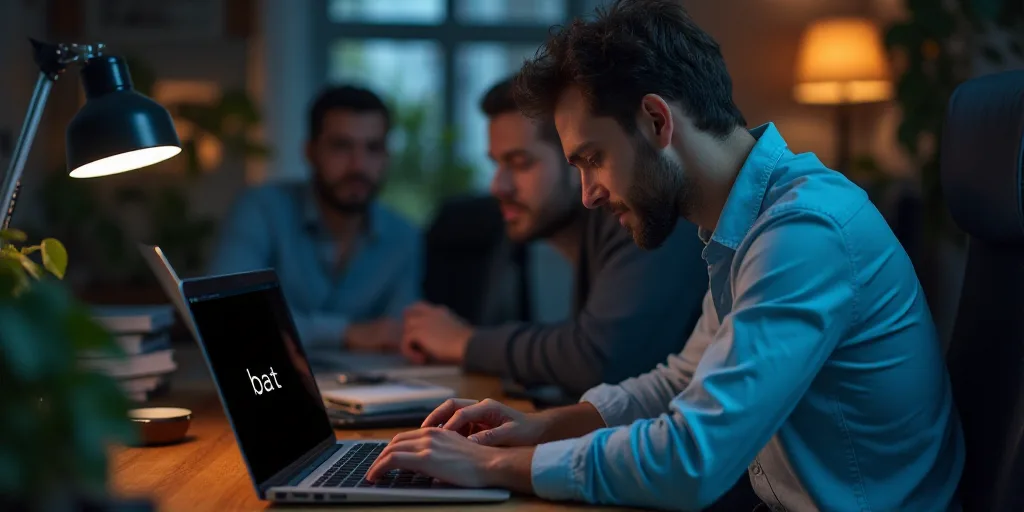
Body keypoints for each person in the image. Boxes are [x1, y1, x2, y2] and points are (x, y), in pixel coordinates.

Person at [364, 1, 965, 510]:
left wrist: (489, 466)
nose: (587, 194)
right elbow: (681, 381)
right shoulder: (745, 226)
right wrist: (537, 428)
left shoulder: (803, 234)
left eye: (593, 158)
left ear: (656, 121)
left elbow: (691, 460)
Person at [401, 76, 709, 399]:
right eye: (496, 164)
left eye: (520, 163)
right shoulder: (591, 238)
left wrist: (464, 342)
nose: (497, 186)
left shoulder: (642, 216)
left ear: (575, 156)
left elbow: (600, 359)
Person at [208, 85, 421, 357]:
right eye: (341, 146)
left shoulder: (405, 237)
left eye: (373, 148)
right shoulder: (261, 210)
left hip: (369, 381)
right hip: (268, 375)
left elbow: (399, 335)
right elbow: (225, 309)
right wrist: (347, 333)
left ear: (386, 156)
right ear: (310, 151)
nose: (358, 165)